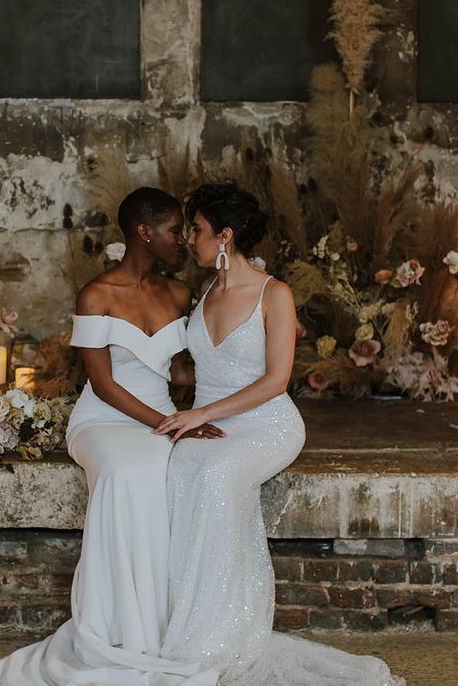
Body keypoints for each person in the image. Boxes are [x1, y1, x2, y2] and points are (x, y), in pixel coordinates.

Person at [0, 187, 220, 686]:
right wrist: (169, 426)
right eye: (174, 231)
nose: (184, 241)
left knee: (171, 468)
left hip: (160, 414)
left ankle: (162, 623)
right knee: (127, 470)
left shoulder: (181, 293)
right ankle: (116, 627)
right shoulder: (96, 295)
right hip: (103, 419)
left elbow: (185, 372)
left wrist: (218, 401)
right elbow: (102, 383)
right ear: (144, 232)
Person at [154, 183, 404, 686]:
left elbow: (275, 381)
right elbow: (194, 372)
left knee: (219, 475)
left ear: (224, 236)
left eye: (197, 230)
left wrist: (201, 416)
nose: (188, 240)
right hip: (211, 420)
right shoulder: (203, 294)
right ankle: (178, 619)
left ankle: (213, 637)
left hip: (267, 423)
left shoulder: (275, 293)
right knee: (178, 468)